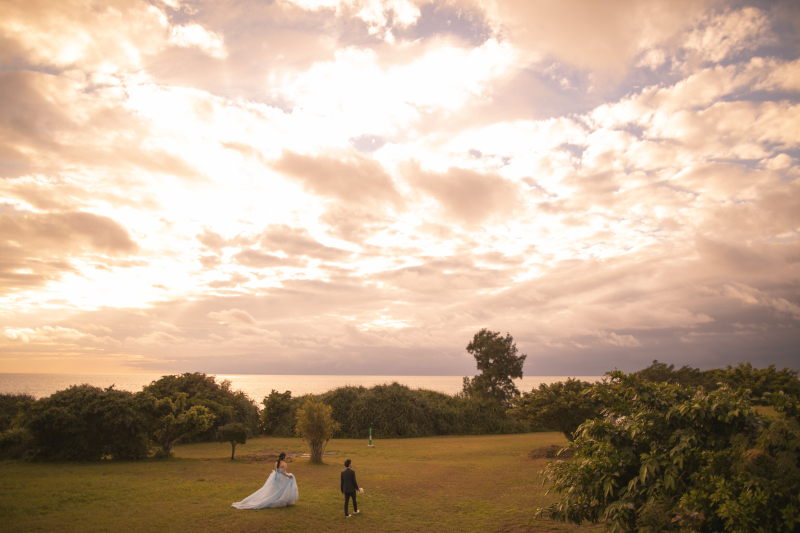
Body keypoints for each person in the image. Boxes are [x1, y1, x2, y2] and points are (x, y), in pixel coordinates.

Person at [231, 452, 299, 509]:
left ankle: (276, 498)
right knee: (285, 484)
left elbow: (276, 471)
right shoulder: (284, 464)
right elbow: (283, 473)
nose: (286, 458)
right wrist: (290, 476)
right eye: (285, 457)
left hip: (276, 477)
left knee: (275, 489)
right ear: (283, 457)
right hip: (281, 477)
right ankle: (279, 499)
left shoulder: (276, 463)